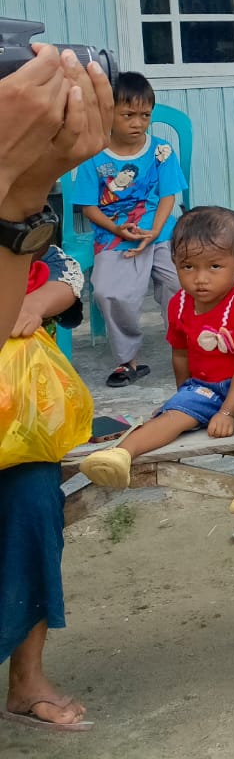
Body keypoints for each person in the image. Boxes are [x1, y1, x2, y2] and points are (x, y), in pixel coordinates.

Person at [1, 43, 112, 733]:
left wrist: (34, 302)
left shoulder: (29, 193)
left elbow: (65, 263)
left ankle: (27, 676)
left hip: (18, 413)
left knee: (35, 506)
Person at [77, 207, 234, 513]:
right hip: (205, 385)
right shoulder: (179, 303)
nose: (200, 279)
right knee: (173, 415)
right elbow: (180, 354)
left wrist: (227, 410)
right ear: (175, 264)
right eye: (188, 267)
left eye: (215, 267)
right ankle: (120, 454)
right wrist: (184, 397)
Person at [69, 71, 186, 387]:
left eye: (145, 115)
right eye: (129, 115)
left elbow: (167, 197)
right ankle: (128, 360)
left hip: (160, 232)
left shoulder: (161, 151)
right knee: (109, 292)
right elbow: (89, 207)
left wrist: (154, 231)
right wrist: (119, 231)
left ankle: (188, 349)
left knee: (185, 282)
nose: (138, 123)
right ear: (109, 113)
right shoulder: (93, 156)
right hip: (114, 236)